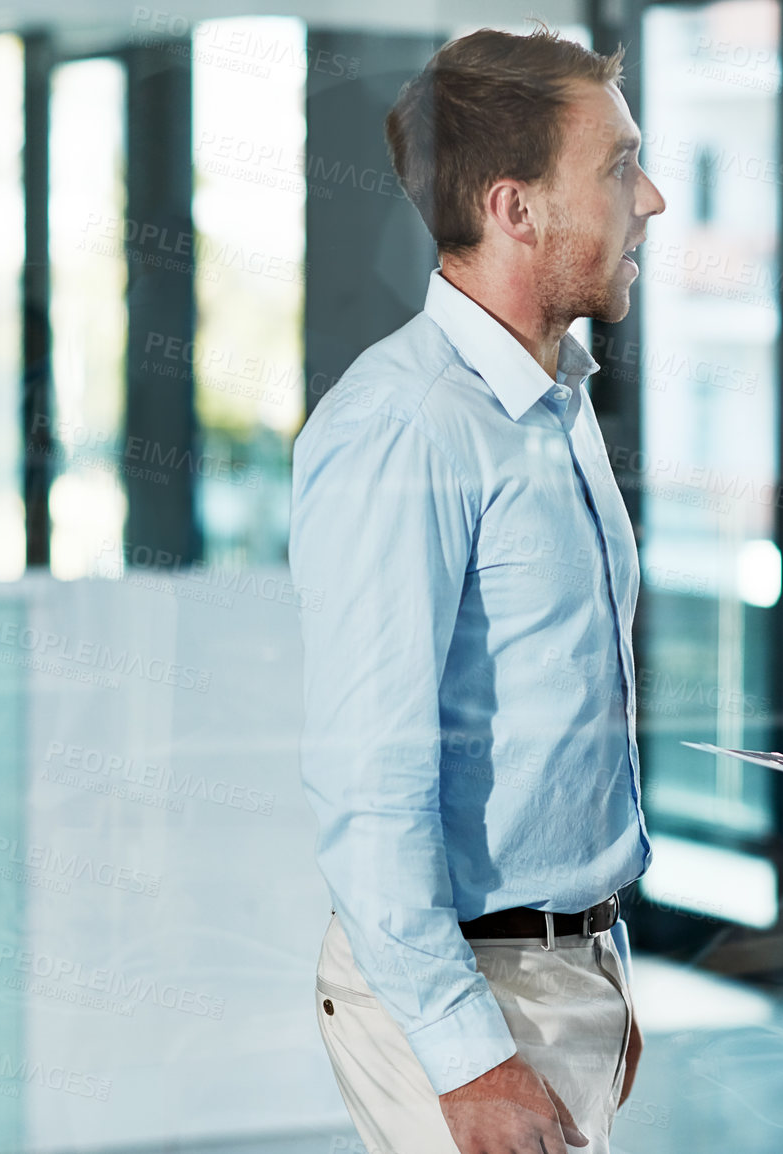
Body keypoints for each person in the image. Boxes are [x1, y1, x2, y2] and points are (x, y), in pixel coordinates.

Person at [288, 26, 665, 1154]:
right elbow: (369, 786)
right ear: (515, 208)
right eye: (614, 166)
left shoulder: (555, 399)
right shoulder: (407, 429)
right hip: (464, 991)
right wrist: (475, 1056)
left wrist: (597, 964)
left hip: (550, 974)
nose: (648, 197)